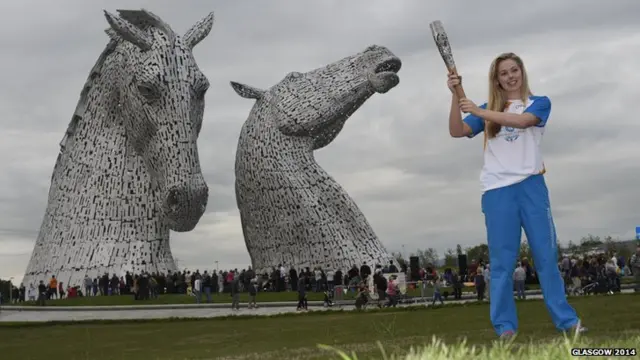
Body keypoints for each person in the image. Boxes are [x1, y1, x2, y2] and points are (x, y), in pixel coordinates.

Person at [446, 52, 587, 339]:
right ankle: (505, 328)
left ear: (522, 72)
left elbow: (522, 122)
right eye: (503, 73)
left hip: (532, 188)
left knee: (546, 258)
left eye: (514, 70)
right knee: (501, 264)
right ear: (496, 80)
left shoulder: (538, 103)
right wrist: (454, 96)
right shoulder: (486, 109)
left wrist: (479, 111)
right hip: (497, 192)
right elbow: (457, 130)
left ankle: (567, 322)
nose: (510, 76)